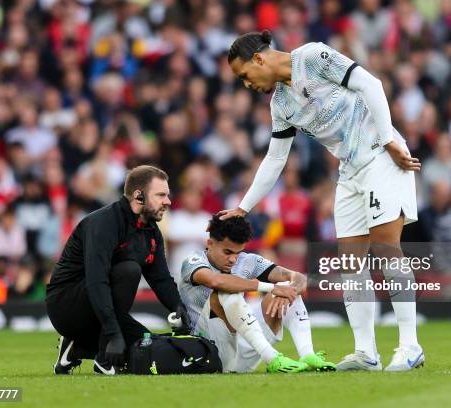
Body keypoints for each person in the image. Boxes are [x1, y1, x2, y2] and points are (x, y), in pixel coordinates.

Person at [221, 31, 423, 372]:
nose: (246, 84)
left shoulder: (313, 57)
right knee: (350, 263)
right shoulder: (281, 104)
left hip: (382, 156)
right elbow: (274, 159)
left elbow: (371, 84)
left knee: (388, 248)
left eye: (244, 75)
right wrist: (243, 207)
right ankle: (366, 352)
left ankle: (410, 345)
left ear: (259, 59)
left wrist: (388, 140)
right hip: (350, 171)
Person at [46, 165, 191, 375]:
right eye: (161, 195)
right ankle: (103, 358)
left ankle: (74, 348)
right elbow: (97, 281)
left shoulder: (151, 231)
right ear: (138, 196)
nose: (168, 201)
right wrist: (113, 336)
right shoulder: (103, 223)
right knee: (129, 271)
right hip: (66, 305)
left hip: (102, 307)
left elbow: (160, 279)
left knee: (145, 345)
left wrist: (177, 306)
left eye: (167, 195)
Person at [179, 215, 335, 373]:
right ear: (210, 244)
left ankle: (307, 355)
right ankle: (272, 359)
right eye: (227, 252)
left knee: (287, 287)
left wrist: (288, 289)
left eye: (238, 253)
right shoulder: (193, 261)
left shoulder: (248, 261)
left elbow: (299, 278)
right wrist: (271, 288)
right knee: (228, 292)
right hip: (208, 353)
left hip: (243, 353)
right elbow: (217, 281)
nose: (233, 259)